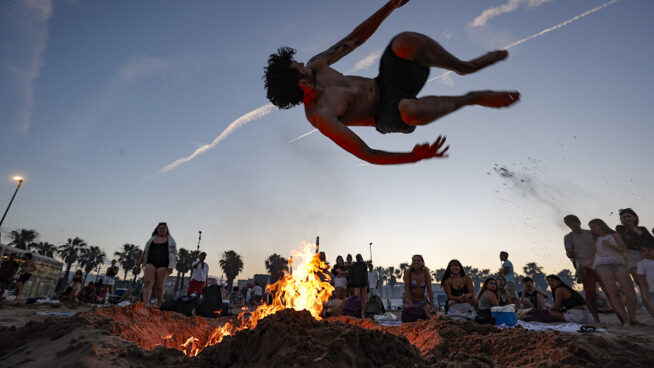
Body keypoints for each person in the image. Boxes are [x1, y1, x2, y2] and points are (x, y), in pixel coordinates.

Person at [263, 0, 519, 165]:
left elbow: (355, 39)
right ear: (296, 80)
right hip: (386, 114)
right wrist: (413, 157)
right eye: (295, 65)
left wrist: (391, 5)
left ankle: (464, 67)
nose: (300, 62)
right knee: (410, 110)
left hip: (387, 81)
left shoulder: (317, 64)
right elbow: (367, 153)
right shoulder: (320, 116)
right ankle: (473, 98)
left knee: (404, 40)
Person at [589, 218, 638, 326]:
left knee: (630, 291)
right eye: (591, 228)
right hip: (602, 266)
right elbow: (596, 255)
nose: (592, 230)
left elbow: (625, 251)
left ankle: (633, 317)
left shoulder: (614, 235)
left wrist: (611, 246)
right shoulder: (594, 240)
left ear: (601, 225)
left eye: (593, 227)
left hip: (618, 264)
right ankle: (626, 321)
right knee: (613, 293)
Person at [563, 214, 603, 323]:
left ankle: (622, 317)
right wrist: (570, 253)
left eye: (574, 223)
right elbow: (568, 253)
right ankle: (596, 319)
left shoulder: (590, 233)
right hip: (584, 269)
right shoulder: (568, 237)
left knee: (609, 290)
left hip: (600, 265)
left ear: (579, 222)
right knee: (590, 295)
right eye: (570, 224)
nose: (573, 225)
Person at [135, 222, 177, 307]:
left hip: (163, 265)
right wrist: (138, 264)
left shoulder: (171, 241)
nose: (162, 229)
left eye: (164, 228)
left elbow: (173, 254)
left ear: (166, 230)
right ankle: (145, 305)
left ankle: (159, 305)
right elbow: (145, 252)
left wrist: (171, 266)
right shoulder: (151, 240)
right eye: (160, 228)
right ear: (157, 230)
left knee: (159, 287)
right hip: (150, 263)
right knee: (147, 283)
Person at [615, 208, 654, 288]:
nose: (626, 218)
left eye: (629, 216)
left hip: (648, 256)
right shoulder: (621, 228)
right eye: (624, 217)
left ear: (635, 217)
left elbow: (652, 241)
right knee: (643, 284)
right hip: (633, 256)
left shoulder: (643, 229)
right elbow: (631, 242)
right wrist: (645, 246)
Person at [636, 244, 654, 319]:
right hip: (652, 290)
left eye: (649, 250)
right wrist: (644, 291)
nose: (647, 252)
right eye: (643, 251)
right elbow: (641, 279)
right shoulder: (642, 264)